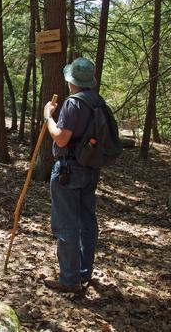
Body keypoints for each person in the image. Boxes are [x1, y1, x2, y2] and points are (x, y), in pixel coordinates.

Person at [42, 57, 101, 293]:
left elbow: (60, 137)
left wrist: (48, 116)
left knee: (66, 224)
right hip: (90, 169)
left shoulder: (73, 104)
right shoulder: (97, 101)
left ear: (71, 81)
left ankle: (69, 280)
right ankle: (84, 272)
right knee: (87, 221)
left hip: (68, 170)